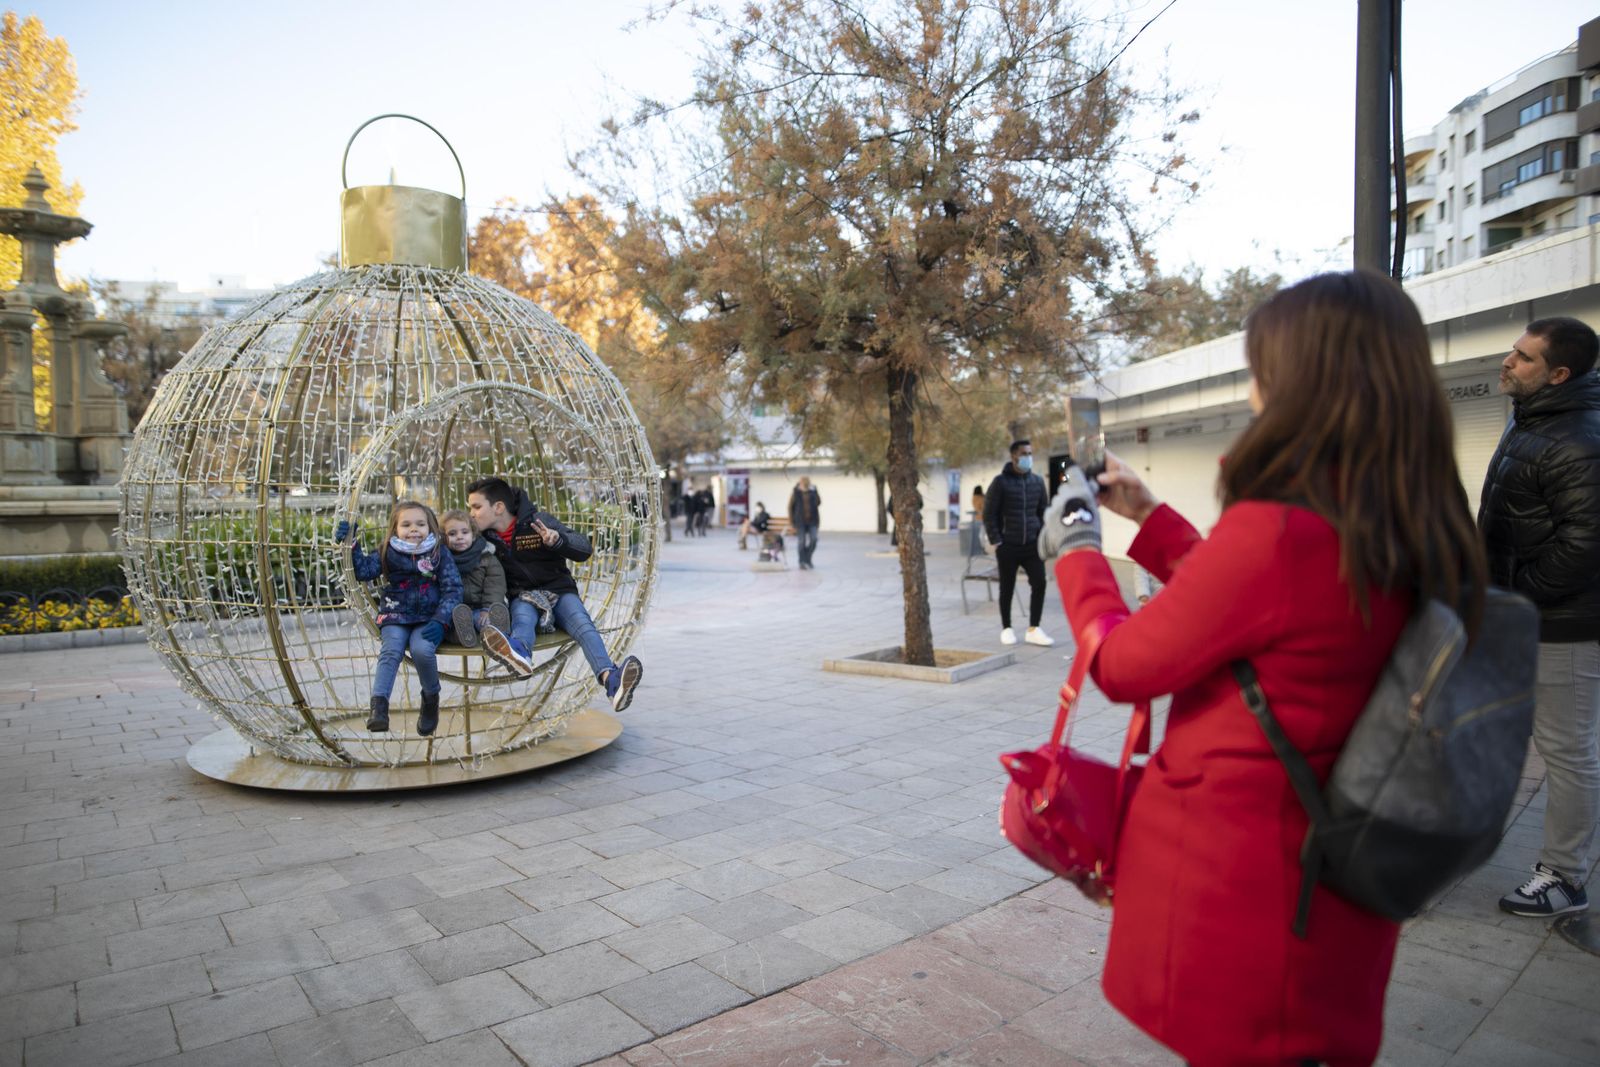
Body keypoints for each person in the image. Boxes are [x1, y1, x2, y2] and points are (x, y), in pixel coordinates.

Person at [1037, 271, 1487, 1067]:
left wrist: (1077, 551)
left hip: (1250, 887)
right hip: (1330, 876)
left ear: (1298, 382)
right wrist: (1148, 516)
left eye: (1260, 371)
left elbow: (1122, 663)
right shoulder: (1404, 518)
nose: (1253, 393)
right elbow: (1269, 607)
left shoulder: (1281, 531)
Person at [1478, 316, 1600, 918]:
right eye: (1514, 351)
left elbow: (1586, 544)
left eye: (1524, 358)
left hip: (1561, 626)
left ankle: (1566, 878)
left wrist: (1519, 595)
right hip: (1516, 619)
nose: (1509, 361)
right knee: (1489, 735)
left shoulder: (1578, 438)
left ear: (1558, 374)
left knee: (1568, 751)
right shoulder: (1530, 420)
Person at [465, 477, 644, 713]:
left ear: (498, 507)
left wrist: (558, 540)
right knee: (522, 618)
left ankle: (610, 679)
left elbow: (584, 548)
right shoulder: (484, 539)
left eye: (476, 507)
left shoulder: (538, 521)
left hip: (559, 590)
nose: (472, 513)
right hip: (522, 595)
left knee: (582, 624)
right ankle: (520, 656)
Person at [338, 501, 462, 737]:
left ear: (430, 527)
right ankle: (379, 707)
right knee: (391, 649)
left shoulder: (438, 552)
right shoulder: (389, 550)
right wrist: (350, 545)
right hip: (396, 613)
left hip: (428, 616)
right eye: (406, 525)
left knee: (422, 649)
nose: (414, 529)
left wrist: (441, 619)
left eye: (420, 524)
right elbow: (364, 571)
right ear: (395, 529)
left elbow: (453, 588)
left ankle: (430, 698)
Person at [983, 440, 1054, 646]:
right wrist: (997, 540)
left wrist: (1042, 537)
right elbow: (989, 513)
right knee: (1007, 586)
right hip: (1008, 545)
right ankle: (1007, 628)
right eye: (1024, 454)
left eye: (1030, 453)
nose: (1028, 457)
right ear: (1014, 456)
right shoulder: (1000, 482)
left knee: (1039, 583)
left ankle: (1034, 628)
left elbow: (1043, 512)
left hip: (1032, 545)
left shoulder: (1037, 482)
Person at [440, 509, 510, 648]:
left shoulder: (486, 557)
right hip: (456, 611)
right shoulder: (442, 561)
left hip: (480, 609)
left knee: (485, 622)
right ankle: (463, 635)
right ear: (443, 537)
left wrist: (488, 609)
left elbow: (495, 586)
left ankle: (497, 631)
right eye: (452, 534)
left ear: (473, 535)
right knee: (449, 625)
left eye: (464, 532)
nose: (459, 537)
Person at [789, 477, 821, 569]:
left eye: (806, 484)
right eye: (803, 484)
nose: (804, 485)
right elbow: (790, 507)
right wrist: (792, 521)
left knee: (814, 540)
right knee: (801, 542)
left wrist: (815, 492)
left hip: (812, 521)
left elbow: (818, 502)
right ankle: (802, 561)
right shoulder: (796, 492)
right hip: (800, 522)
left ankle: (808, 558)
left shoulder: (812, 492)